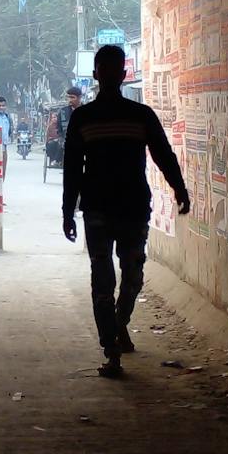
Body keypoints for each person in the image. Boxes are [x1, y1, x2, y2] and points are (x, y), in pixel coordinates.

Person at [61, 45, 190, 378]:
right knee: (103, 280)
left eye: (111, 69)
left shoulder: (140, 115)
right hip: (99, 210)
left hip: (132, 208)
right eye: (103, 69)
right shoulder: (83, 117)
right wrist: (67, 211)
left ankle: (119, 325)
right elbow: (72, 168)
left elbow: (163, 154)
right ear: (98, 75)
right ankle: (111, 350)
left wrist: (180, 188)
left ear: (121, 75)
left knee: (132, 277)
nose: (106, 75)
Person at [48, 86, 81, 163]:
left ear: (79, 98)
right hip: (65, 137)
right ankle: (57, 160)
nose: (70, 100)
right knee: (57, 145)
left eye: (72, 97)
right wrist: (61, 137)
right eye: (69, 97)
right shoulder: (62, 111)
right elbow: (59, 127)